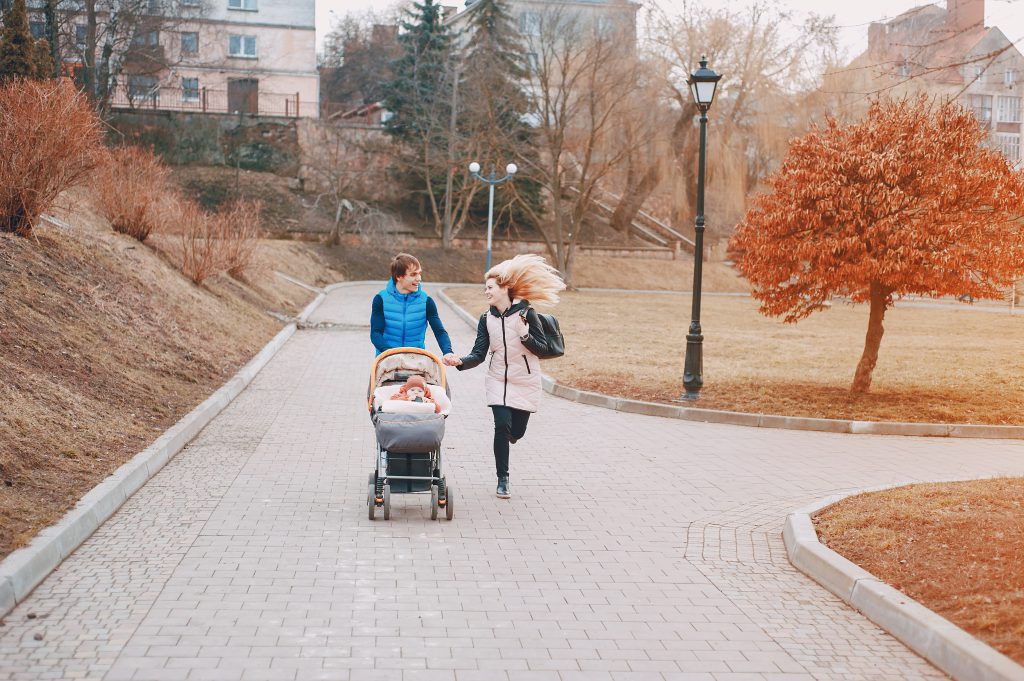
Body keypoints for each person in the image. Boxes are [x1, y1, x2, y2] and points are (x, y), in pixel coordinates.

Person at [447, 254, 565, 499]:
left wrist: (525, 335)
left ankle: (512, 436)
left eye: (489, 287)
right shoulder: (486, 319)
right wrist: (460, 361)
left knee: (516, 432)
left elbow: (542, 349)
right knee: (501, 425)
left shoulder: (527, 315)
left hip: (525, 379)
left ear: (504, 288)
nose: (486, 292)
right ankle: (503, 479)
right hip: (498, 379)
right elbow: (479, 354)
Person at [371, 253, 458, 365]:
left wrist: (448, 352)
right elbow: (376, 333)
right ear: (399, 276)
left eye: (419, 273)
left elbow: (439, 332)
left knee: (441, 381)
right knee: (373, 382)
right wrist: (390, 353)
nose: (419, 278)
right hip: (386, 360)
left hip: (416, 362)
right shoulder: (380, 299)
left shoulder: (426, 301)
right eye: (413, 274)